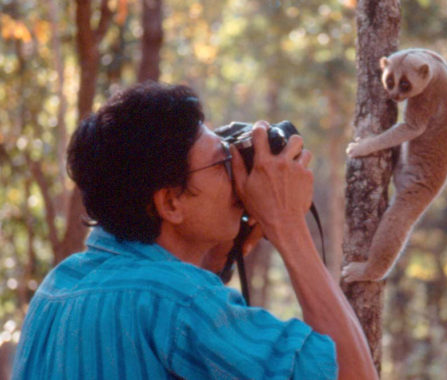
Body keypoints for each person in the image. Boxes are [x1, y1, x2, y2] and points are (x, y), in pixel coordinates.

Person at [12, 82, 377, 379]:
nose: (237, 173)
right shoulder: (181, 301)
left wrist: (215, 260)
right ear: (170, 203)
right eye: (222, 161)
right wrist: (288, 224)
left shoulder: (56, 288)